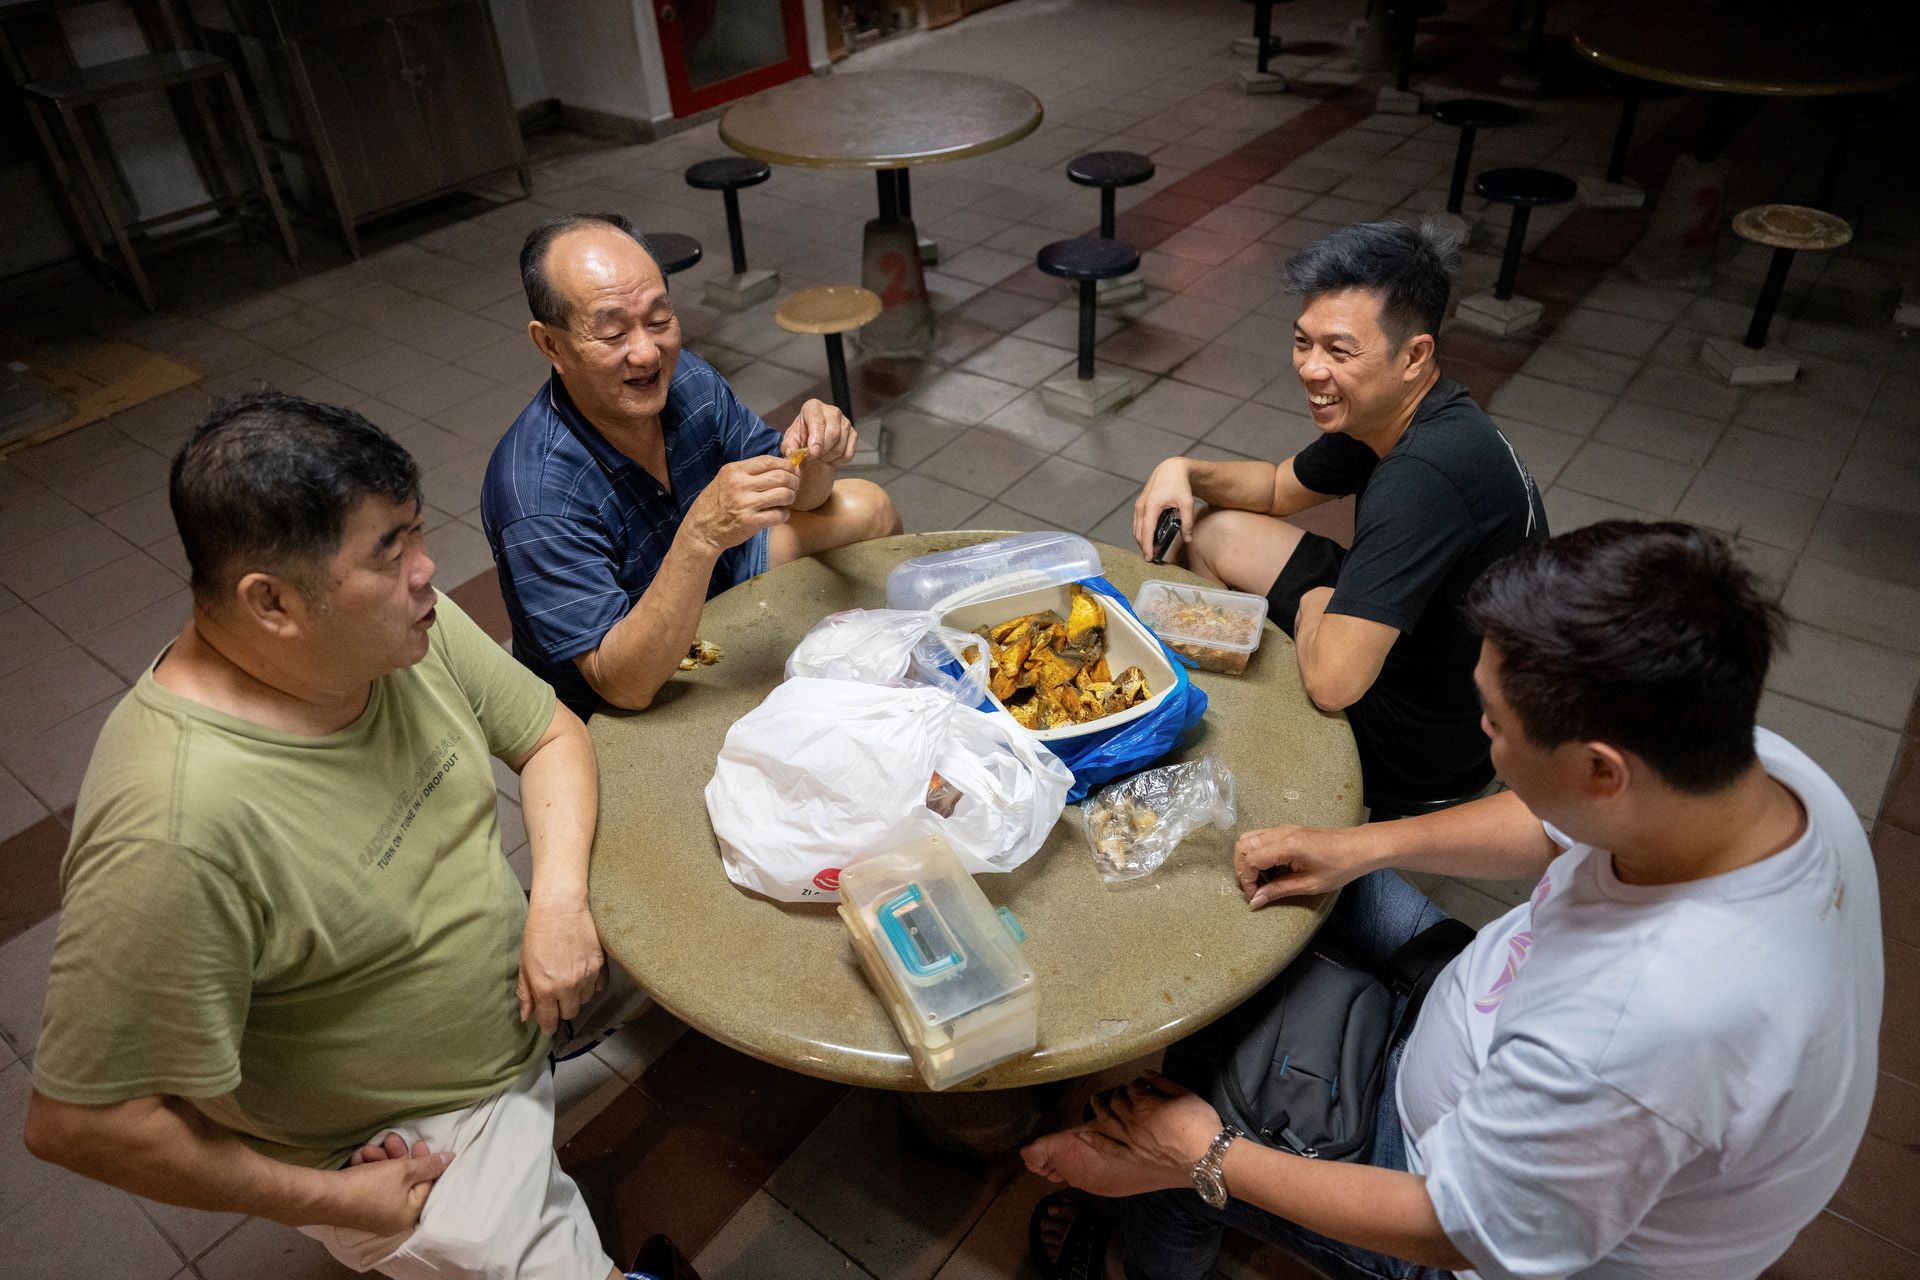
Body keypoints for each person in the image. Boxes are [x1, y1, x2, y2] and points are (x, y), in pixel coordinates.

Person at [1022, 520, 1883, 1280]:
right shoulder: (1737, 765)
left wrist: (1203, 1157)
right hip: (1487, 1006)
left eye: (1497, 723)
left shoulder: (1640, 1032)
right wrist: (1356, 848)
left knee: (1177, 1142)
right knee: (1258, 870)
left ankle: (1138, 1233)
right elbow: (1560, 826)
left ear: (1599, 769)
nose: (1483, 734)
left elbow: (1460, 1229)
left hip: (1462, 1206)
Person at [22, 393, 646, 1280]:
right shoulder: (173, 831)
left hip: (525, 986)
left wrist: (556, 903)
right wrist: (332, 1199)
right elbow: (81, 1124)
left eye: (416, 534)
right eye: (390, 556)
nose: (429, 572)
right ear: (272, 603)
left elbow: (550, 735)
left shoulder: (394, 631)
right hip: (403, 1137)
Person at [1132, 220, 1545, 814]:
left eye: (1339, 351)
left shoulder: (1423, 477)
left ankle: (1279, 770)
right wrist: (1183, 470)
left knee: (1313, 657)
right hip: (1424, 642)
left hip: (1432, 736)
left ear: (1414, 354)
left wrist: (1315, 602)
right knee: (1216, 528)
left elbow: (1334, 684)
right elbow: (1276, 488)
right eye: (1303, 342)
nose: (1310, 369)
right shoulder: (1393, 409)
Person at [482, 212, 902, 718]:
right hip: (623, 666)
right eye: (612, 333)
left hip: (715, 575)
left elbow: (799, 499)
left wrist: (815, 455)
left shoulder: (687, 382)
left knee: (867, 506)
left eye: (659, 320)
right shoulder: (535, 493)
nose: (646, 354)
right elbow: (622, 685)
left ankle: (897, 664)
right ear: (551, 344)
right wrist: (701, 535)